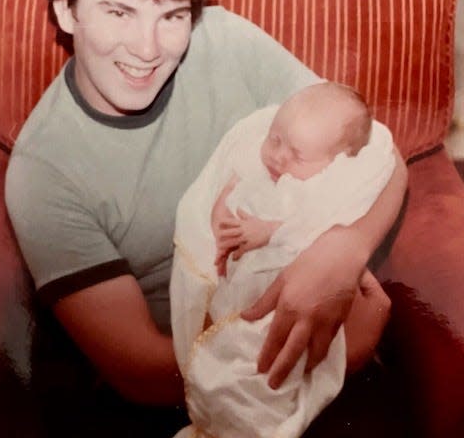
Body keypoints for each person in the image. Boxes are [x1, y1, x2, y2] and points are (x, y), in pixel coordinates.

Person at [5, 0, 408, 437]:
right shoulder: (42, 172)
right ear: (66, 11)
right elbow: (141, 370)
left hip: (312, 314)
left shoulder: (224, 42)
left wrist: (347, 248)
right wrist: (335, 353)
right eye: (118, 11)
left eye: (171, 15)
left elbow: (379, 154)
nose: (147, 48)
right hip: (200, 387)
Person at [170, 82, 396, 438]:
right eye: (274, 139)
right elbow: (229, 188)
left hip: (288, 294)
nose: (278, 157)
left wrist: (270, 232)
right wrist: (221, 215)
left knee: (269, 378)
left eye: (297, 154)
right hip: (236, 291)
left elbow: (314, 225)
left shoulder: (318, 186)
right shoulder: (261, 164)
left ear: (332, 163)